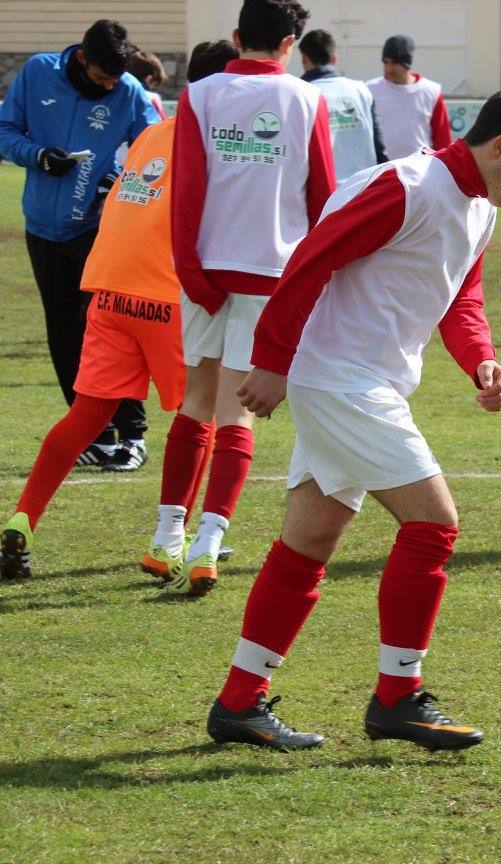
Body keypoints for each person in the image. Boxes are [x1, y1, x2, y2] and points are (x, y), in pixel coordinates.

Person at [202, 80, 501, 751]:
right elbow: (312, 260)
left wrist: (481, 361)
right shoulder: (409, 186)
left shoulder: (479, 208)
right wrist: (273, 360)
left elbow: (461, 298)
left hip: (365, 383)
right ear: (500, 146)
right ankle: (398, 696)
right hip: (339, 379)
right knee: (434, 524)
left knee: (308, 543)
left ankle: (238, 702)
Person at [0, 41, 241, 582]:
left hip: (108, 290)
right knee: (199, 415)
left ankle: (23, 517)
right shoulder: (218, 146)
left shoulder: (155, 132)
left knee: (87, 416)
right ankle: (185, 538)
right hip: (164, 295)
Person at [153, 0, 335, 597]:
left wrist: (190, 268)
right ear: (290, 44)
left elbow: (185, 190)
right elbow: (323, 196)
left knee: (195, 402)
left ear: (236, 38)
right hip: (271, 275)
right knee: (238, 412)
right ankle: (207, 543)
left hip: (204, 271)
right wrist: (317, 276)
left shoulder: (201, 94)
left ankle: (165, 537)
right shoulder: (309, 99)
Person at [0, 20, 160, 471]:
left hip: (97, 229)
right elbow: (5, 128)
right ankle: (93, 433)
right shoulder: (36, 72)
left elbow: (155, 150)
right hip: (42, 229)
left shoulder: (128, 91)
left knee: (111, 328)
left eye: (116, 78)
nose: (110, 85)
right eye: (102, 77)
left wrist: (118, 178)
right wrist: (37, 155)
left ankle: (132, 434)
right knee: (64, 330)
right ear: (82, 58)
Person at [299, 28, 387, 181]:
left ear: (305, 59)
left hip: (326, 194)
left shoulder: (302, 94)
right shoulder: (362, 90)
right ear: (334, 59)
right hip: (364, 188)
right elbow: (379, 146)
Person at [366, 35, 451, 159]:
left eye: (395, 63)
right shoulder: (370, 90)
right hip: (381, 170)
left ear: (407, 62)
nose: (389, 68)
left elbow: (442, 138)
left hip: (421, 169)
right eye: (385, 62)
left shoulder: (431, 91)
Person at [127, 49, 168, 120]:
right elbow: (161, 125)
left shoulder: (118, 94)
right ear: (148, 79)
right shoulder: (151, 98)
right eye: (153, 84)